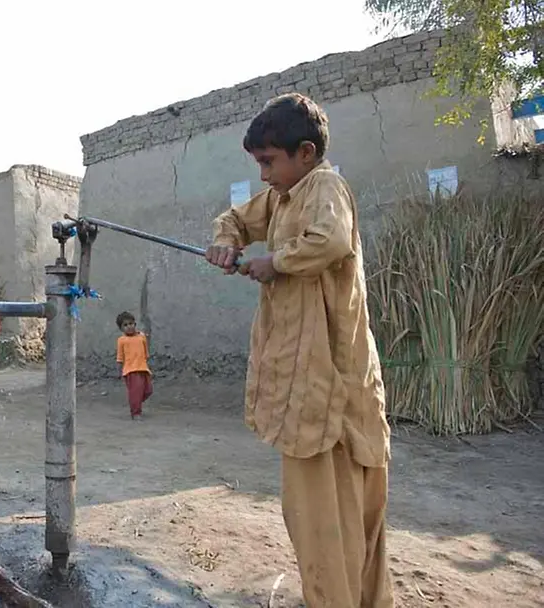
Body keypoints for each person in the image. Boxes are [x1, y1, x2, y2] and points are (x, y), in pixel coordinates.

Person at [205, 93, 394, 607]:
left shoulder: (325, 187)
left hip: (332, 386)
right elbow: (235, 218)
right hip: (305, 387)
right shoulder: (284, 196)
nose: (264, 175)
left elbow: (330, 241)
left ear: (305, 152)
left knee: (332, 526)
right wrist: (227, 240)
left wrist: (275, 263)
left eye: (269, 162)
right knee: (322, 522)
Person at [115, 311, 152, 420]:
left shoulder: (142, 337)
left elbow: (145, 352)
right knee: (136, 392)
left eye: (131, 323)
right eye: (125, 325)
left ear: (135, 324)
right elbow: (120, 356)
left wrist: (146, 362)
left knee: (148, 390)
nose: (129, 327)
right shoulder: (122, 340)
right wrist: (119, 370)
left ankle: (135, 402)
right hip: (131, 370)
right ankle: (136, 412)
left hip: (143, 368)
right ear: (121, 328)